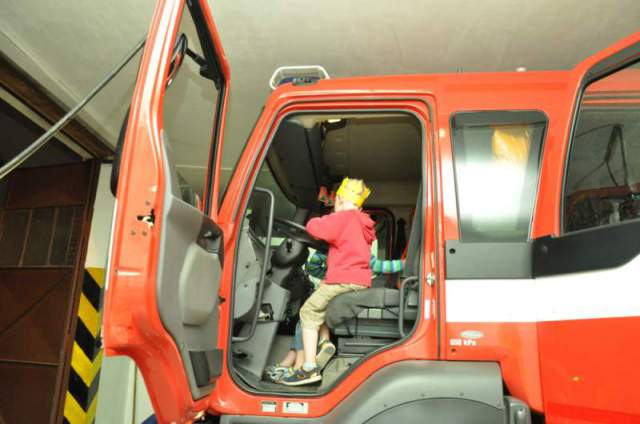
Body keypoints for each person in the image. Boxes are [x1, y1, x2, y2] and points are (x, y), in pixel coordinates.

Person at [280, 177, 375, 386]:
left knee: (308, 312)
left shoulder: (342, 218)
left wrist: (327, 215)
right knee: (321, 305)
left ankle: (308, 368)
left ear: (339, 200)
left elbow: (314, 228)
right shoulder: (364, 223)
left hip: (342, 279)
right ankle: (324, 342)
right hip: (359, 280)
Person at [264, 252, 404, 383]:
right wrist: (402, 264)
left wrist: (326, 273)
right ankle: (317, 345)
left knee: (307, 316)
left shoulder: (333, 246)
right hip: (350, 288)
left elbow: (313, 267)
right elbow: (379, 267)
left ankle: (297, 364)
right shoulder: (360, 247)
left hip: (334, 287)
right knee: (312, 315)